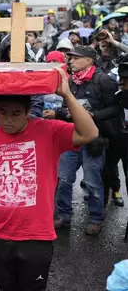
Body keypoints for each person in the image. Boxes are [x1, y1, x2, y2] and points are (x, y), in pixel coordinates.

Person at [0, 69, 98, 291]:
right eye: (2, 113)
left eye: (16, 114)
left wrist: (67, 95)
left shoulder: (50, 131)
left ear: (29, 111)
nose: (8, 120)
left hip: (36, 236)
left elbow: (90, 133)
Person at [51, 46, 121, 235]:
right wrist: (64, 112)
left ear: (89, 60)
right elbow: (65, 106)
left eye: (75, 58)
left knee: (92, 181)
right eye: (70, 58)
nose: (70, 61)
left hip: (94, 140)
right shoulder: (70, 81)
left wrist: (93, 115)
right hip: (71, 137)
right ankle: (64, 216)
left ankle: (96, 218)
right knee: (64, 179)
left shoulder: (104, 80)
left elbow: (116, 109)